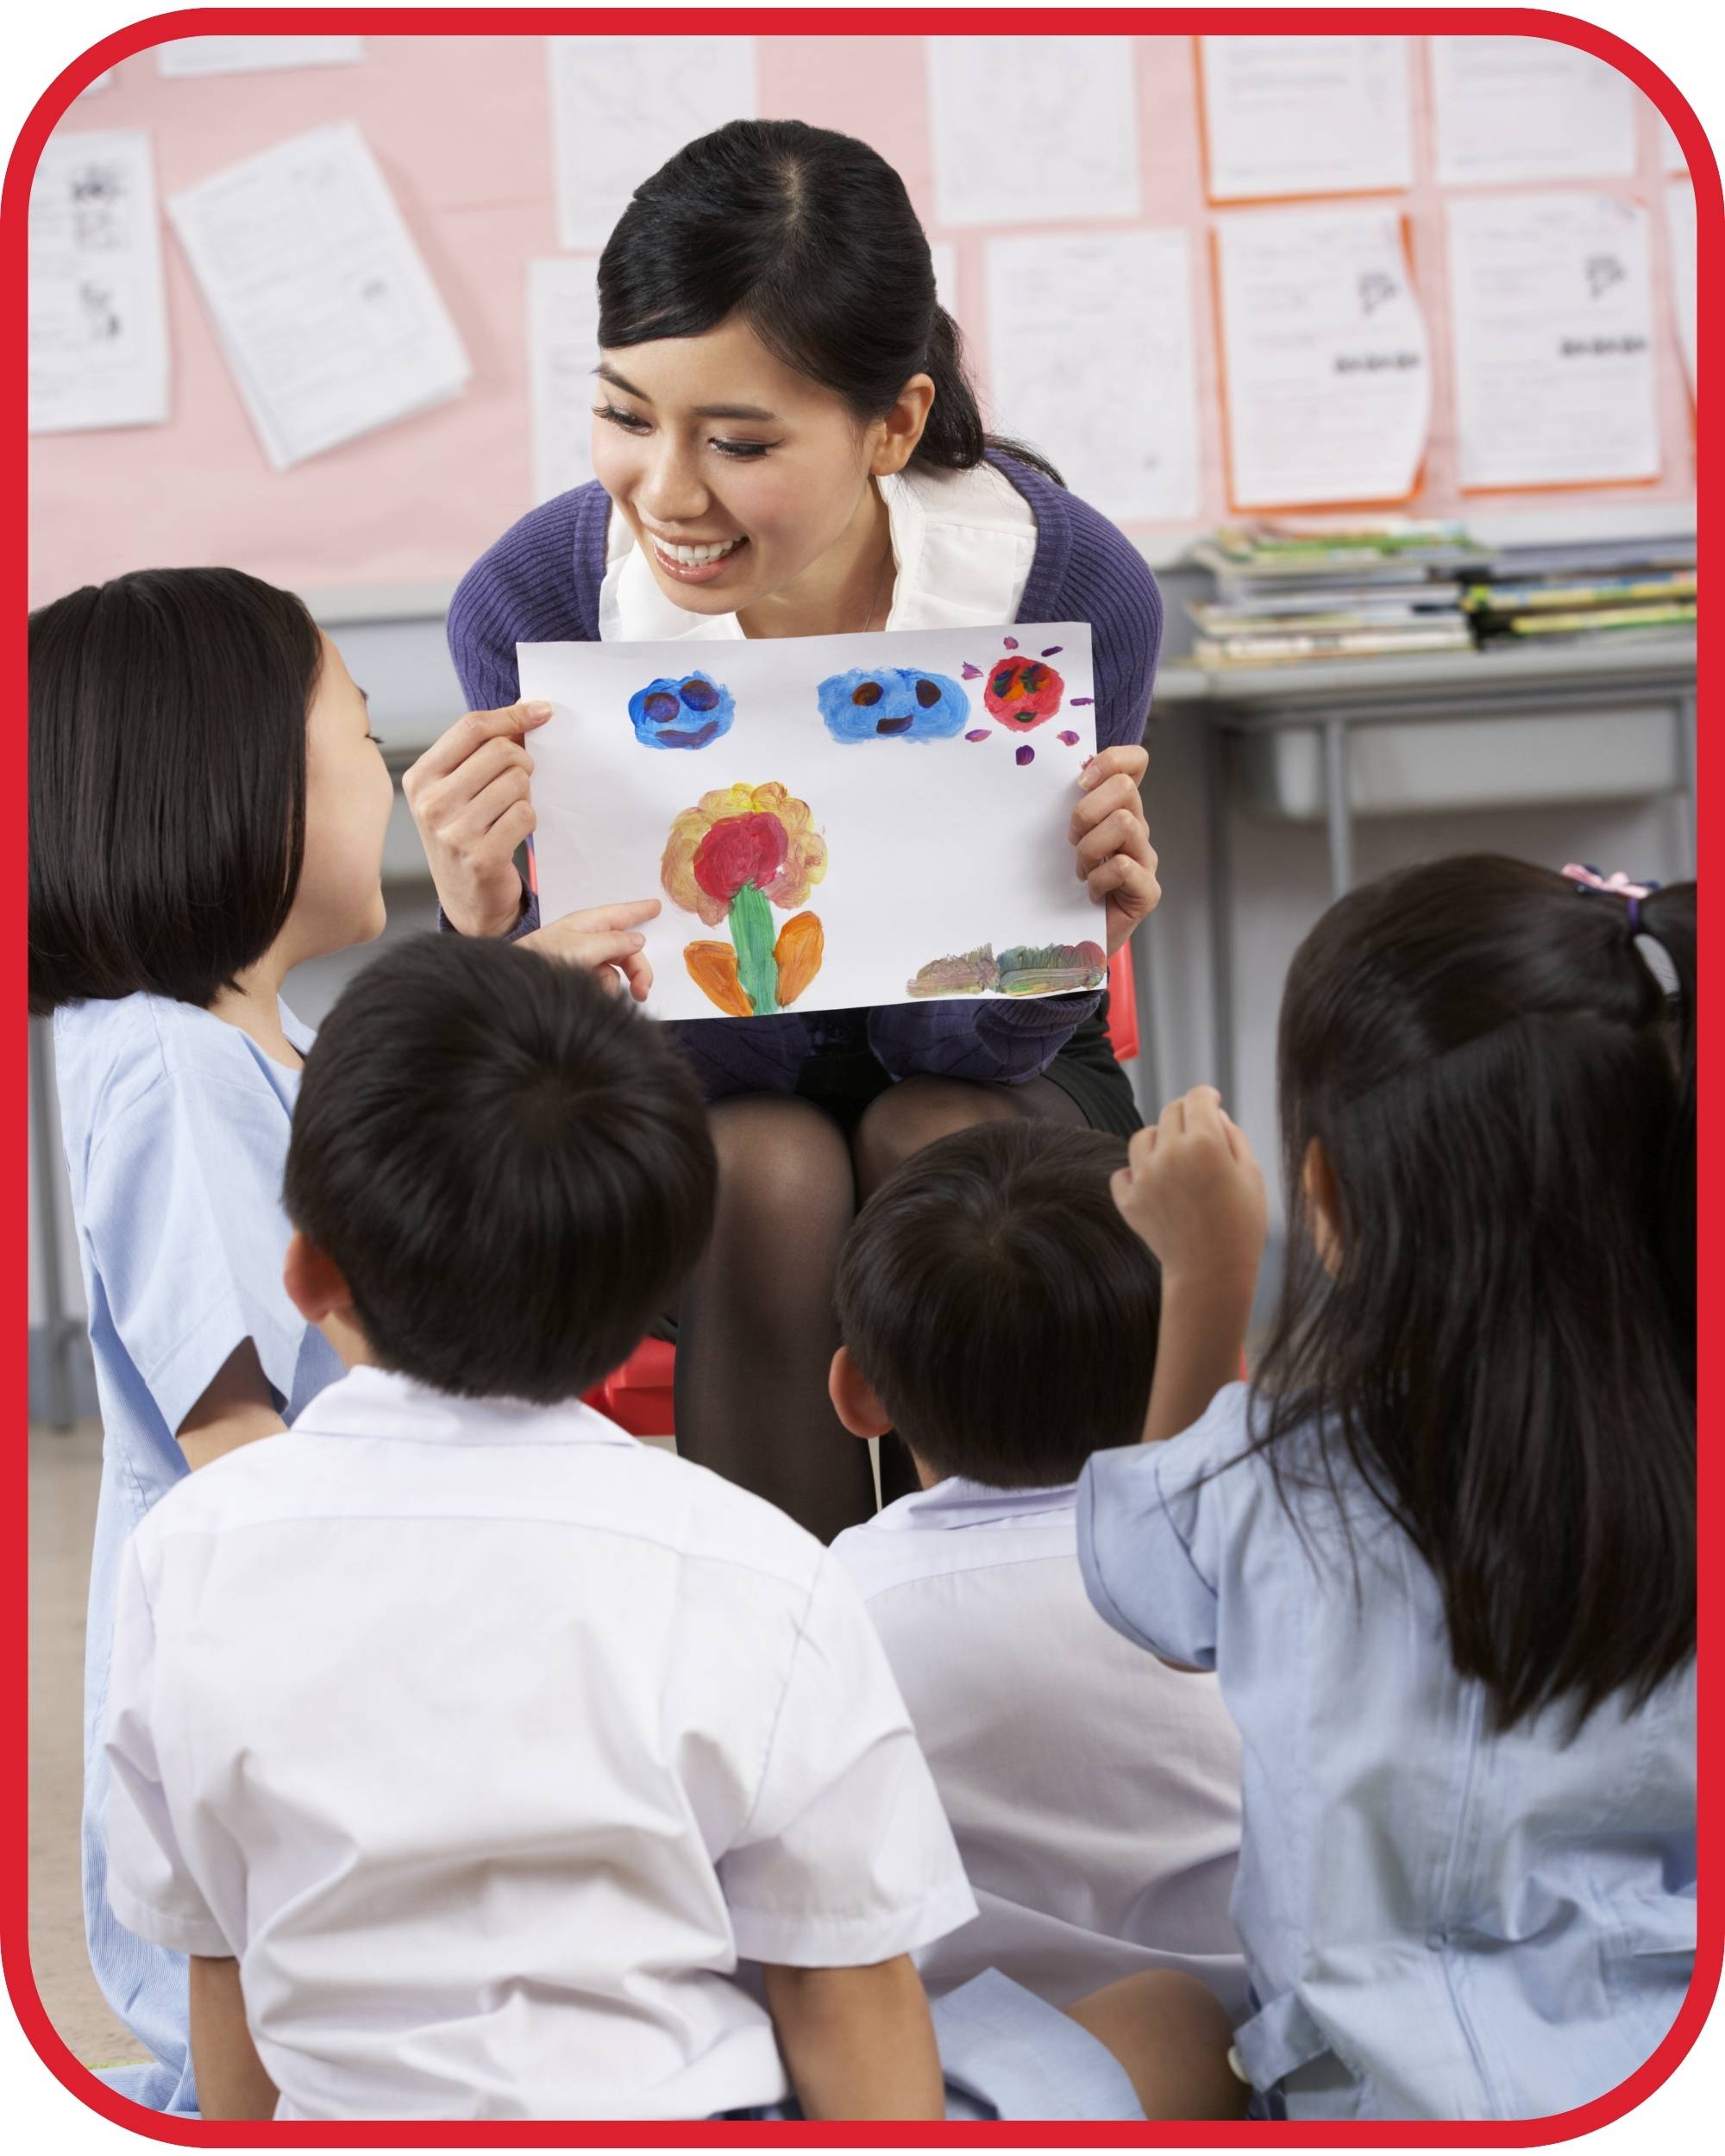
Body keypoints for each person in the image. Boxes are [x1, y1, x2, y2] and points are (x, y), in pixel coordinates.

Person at [101, 936, 1245, 2123]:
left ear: (312, 1275)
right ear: (643, 1311)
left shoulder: (183, 1555)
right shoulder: (754, 1567)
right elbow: (840, 1995)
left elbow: (221, 1967)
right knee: (1170, 2024)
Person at [415, 118, 1165, 1539]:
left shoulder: (1066, 585)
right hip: (676, 1075)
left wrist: (1058, 937)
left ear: (893, 422)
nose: (670, 498)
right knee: (769, 1164)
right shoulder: (533, 604)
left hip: (991, 1062)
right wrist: (489, 930)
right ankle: (789, 1680)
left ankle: (1042, 1652)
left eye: (740, 441)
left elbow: (965, 1047)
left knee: (938, 1132)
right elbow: (602, 1050)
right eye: (628, 415)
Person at [28, 567, 654, 2114]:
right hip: (274, 1673)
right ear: (226, 774)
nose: (385, 773)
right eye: (358, 737)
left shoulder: (236, 1048)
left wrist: (496, 996)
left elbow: (365, 1202)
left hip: (315, 1643)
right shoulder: (170, 1072)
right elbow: (236, 1443)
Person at [1079, 858, 1697, 2121]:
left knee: (1149, 2024)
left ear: (1328, 1200)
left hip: (1379, 2102)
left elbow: (1143, 1580)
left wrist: (1207, 1272)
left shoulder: (1281, 1472)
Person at [827, 1122, 1248, 2017]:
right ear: (1215, 1368)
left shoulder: (826, 1615)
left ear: (857, 1393)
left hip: (955, 2077)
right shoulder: (1262, 1591)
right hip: (1263, 2052)